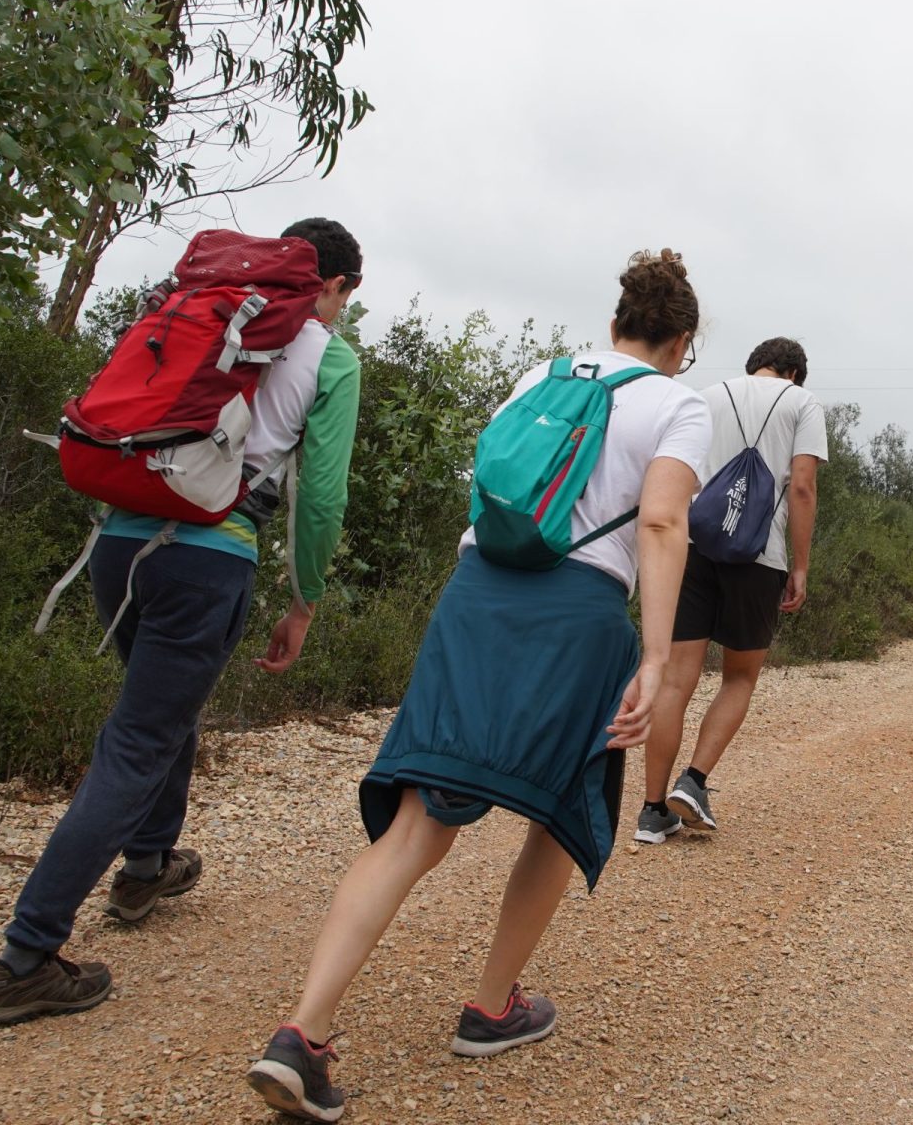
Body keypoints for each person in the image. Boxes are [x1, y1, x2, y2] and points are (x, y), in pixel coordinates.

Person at [246, 249, 710, 1124]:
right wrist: (654, 658)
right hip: (576, 614)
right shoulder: (676, 403)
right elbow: (660, 519)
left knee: (421, 823)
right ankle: (493, 1007)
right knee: (564, 810)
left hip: (476, 600)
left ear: (615, 325)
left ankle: (301, 1035)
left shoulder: (539, 376)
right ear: (681, 342)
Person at [0, 218, 365, 1024]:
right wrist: (304, 601)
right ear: (337, 286)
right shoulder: (330, 354)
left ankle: (148, 862)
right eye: (346, 296)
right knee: (142, 738)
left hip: (118, 544)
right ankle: (25, 956)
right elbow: (320, 497)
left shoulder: (209, 312)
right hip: (208, 555)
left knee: (160, 713)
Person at [635, 337, 826, 844]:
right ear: (794, 374)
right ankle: (693, 782)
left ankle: (653, 812)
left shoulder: (706, 396)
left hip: (693, 547)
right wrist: (800, 567)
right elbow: (803, 486)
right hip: (758, 557)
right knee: (739, 678)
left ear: (754, 365)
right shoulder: (802, 403)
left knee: (677, 678)